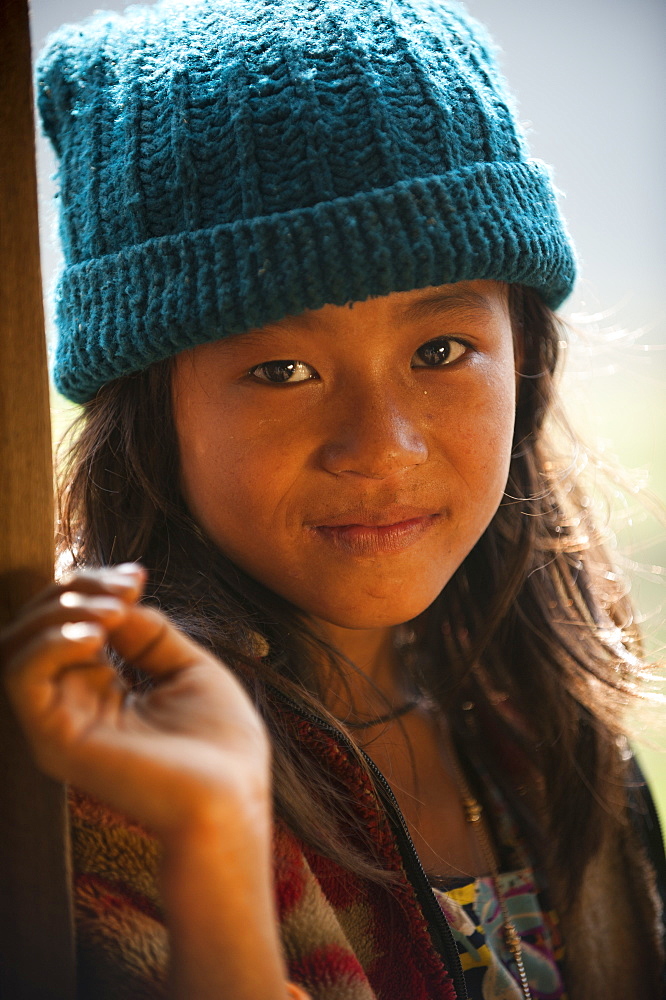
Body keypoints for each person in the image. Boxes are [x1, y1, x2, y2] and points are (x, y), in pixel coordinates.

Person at [1, 0, 664, 997]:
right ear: (151, 412)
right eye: (281, 370)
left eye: (441, 351)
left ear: (525, 358)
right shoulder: (112, 775)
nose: (380, 448)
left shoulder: (545, 728)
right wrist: (214, 836)